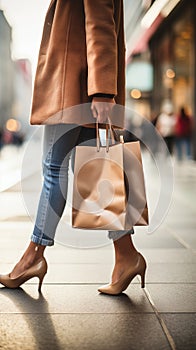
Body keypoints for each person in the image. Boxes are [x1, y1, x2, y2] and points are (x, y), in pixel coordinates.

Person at [0, 0, 146, 295]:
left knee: (55, 171)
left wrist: (103, 90)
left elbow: (101, 24)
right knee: (99, 175)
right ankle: (127, 255)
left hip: (72, 86)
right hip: (80, 85)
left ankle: (32, 257)